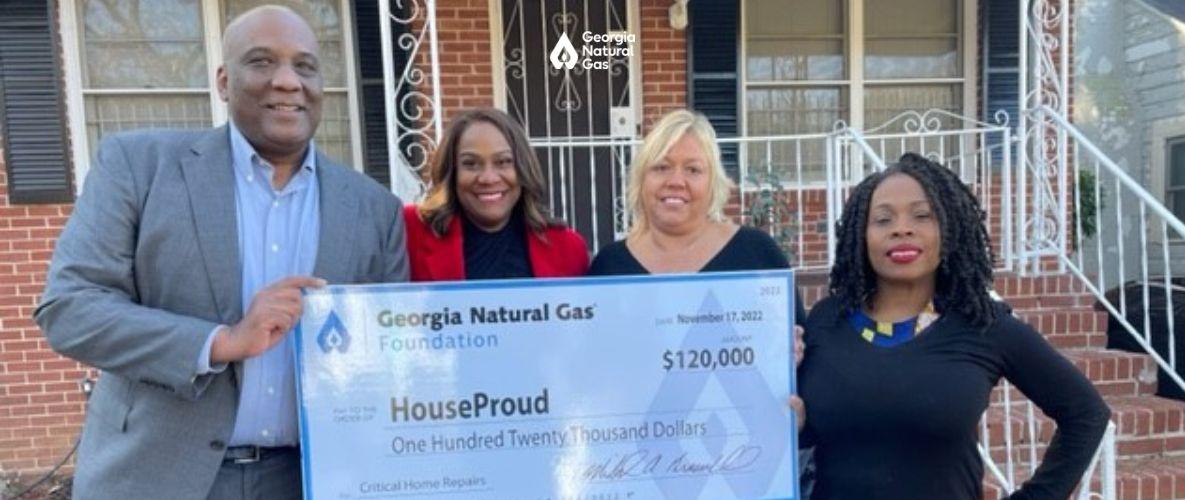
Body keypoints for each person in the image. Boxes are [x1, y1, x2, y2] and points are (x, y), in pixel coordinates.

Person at [33, 6, 408, 499]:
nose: (287, 81)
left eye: (305, 66)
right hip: (157, 477)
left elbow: (394, 351)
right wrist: (221, 341)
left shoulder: (374, 208)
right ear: (224, 81)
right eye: (262, 62)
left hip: (309, 481)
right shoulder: (139, 168)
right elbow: (69, 309)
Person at [798, 153, 1110, 499]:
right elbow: (809, 434)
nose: (902, 228)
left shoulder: (983, 325)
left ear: (949, 230)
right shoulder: (825, 321)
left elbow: (1086, 413)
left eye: (922, 215)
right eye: (883, 219)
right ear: (861, 235)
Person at [588, 109, 807, 327]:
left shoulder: (758, 254)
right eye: (661, 167)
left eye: (693, 170)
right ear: (641, 179)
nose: (676, 181)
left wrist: (794, 349)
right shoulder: (608, 267)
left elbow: (796, 340)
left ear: (713, 183)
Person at [404, 107, 588, 280]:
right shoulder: (409, 232)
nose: (488, 178)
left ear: (523, 168)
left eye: (503, 162)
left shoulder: (568, 248)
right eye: (470, 164)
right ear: (451, 172)